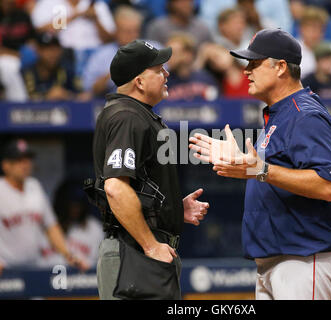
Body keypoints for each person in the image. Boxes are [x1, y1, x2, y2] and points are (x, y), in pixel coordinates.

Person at [189, 28, 331, 300]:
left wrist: (260, 170)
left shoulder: (305, 114)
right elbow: (271, 174)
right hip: (277, 260)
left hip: (305, 257)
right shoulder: (281, 113)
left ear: (280, 67)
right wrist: (244, 163)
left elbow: (327, 185)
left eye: (254, 63)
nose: (246, 71)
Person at [92, 39, 209, 300]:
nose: (167, 74)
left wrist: (172, 210)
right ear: (139, 82)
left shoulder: (135, 114)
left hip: (140, 250)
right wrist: (150, 244)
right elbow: (116, 187)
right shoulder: (127, 116)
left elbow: (135, 186)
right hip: (135, 252)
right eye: (158, 69)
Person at [0, 139, 88, 276]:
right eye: (19, 160)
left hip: (33, 267)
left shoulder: (35, 186)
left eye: (28, 159)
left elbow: (51, 226)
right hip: (5, 269)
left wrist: (68, 255)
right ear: (6, 165)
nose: (25, 164)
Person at [82, 5, 144, 98]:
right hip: (111, 104)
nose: (132, 36)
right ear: (117, 31)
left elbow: (166, 78)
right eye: (127, 31)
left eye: (135, 31)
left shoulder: (152, 48)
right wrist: (113, 74)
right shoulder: (102, 55)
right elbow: (90, 90)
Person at [22, 32, 85, 101]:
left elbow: (82, 96)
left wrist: (67, 95)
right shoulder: (27, 72)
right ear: (38, 51)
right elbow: (21, 99)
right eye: (47, 49)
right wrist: (46, 97)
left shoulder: (66, 70)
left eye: (55, 49)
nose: (52, 54)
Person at [298, 6, 331, 85]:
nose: (315, 32)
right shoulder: (292, 48)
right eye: (311, 27)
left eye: (320, 28)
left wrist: (326, 72)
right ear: (301, 28)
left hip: (329, 93)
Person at [165, 33, 220, 101]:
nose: (168, 57)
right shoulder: (163, 81)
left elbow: (217, 105)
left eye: (173, 53)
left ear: (188, 55)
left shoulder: (206, 79)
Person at [0, 0, 35, 102]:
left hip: (22, 53)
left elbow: (32, 38)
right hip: (5, 56)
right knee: (9, 67)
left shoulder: (22, 15)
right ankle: (19, 103)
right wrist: (15, 54)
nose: (8, 2)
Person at [145, 0, 213, 48]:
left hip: (197, 66)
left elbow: (210, 48)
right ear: (172, 4)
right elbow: (151, 51)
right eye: (182, 1)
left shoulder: (202, 27)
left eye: (190, 1)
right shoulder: (157, 27)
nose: (187, 5)